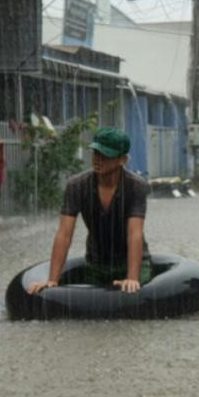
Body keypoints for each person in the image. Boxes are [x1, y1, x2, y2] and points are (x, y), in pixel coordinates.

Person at [27, 126, 151, 295]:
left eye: (105, 155)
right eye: (95, 153)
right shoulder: (77, 185)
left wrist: (132, 278)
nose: (98, 159)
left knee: (134, 294)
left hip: (130, 262)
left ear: (123, 159)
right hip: (96, 264)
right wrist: (52, 280)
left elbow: (134, 234)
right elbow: (64, 234)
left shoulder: (136, 186)